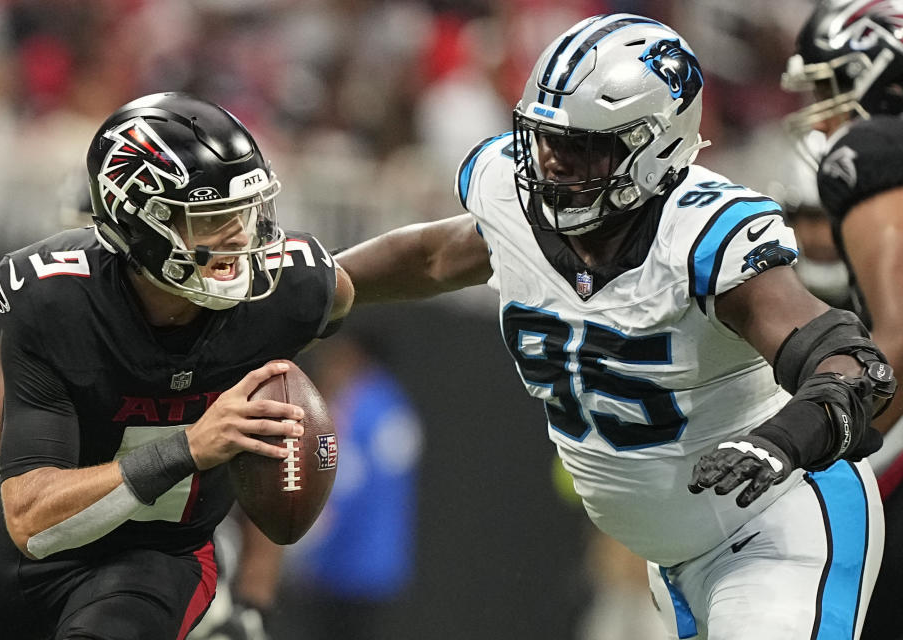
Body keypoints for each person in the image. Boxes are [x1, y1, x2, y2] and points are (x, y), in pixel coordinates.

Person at [336, 13, 895, 640]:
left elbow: (850, 364)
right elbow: (435, 256)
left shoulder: (700, 238)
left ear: (654, 145)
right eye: (545, 138)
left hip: (776, 525)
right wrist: (326, 289)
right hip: (673, 554)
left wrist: (781, 440)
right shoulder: (513, 203)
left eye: (582, 146)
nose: (552, 162)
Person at [0, 91, 353, 639]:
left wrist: (254, 599)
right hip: (32, 540)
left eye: (242, 213)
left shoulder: (287, 292)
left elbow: (380, 275)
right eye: (211, 218)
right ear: (136, 226)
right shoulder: (55, 303)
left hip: (159, 554)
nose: (239, 237)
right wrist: (189, 447)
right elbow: (26, 513)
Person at [781, 2, 903, 638]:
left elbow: (902, 335)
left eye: (830, 87)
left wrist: (812, 453)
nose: (822, 114)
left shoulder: (874, 150)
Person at [270, 330, 423, 640]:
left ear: (356, 357)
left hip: (341, 565)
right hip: (381, 564)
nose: (327, 364)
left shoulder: (353, 408)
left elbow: (341, 482)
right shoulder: (394, 405)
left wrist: (297, 548)